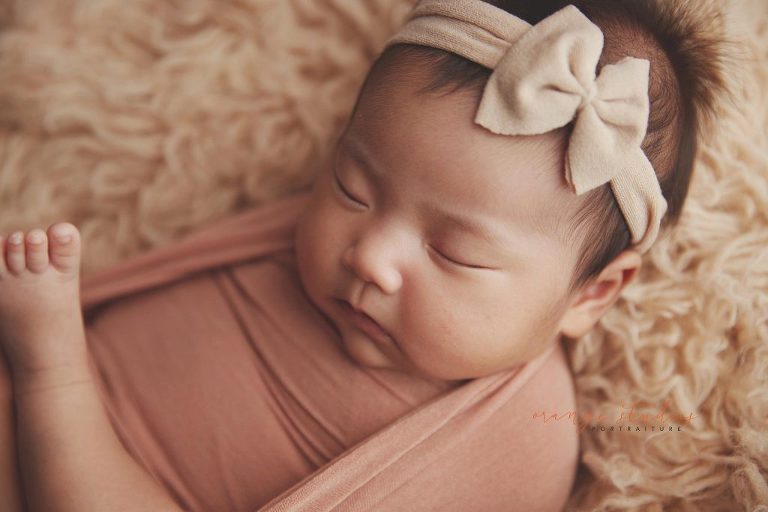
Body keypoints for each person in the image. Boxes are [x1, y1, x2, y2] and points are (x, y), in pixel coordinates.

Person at [0, 0, 729, 510]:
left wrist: (49, 366)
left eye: (456, 253)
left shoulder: (518, 443)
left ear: (592, 294)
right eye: (352, 188)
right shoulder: (295, 246)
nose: (370, 255)